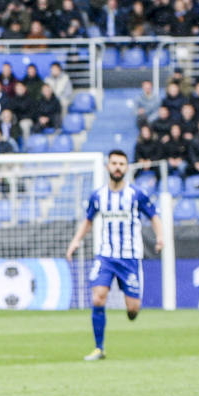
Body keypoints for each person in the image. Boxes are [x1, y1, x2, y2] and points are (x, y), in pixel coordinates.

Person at [65, 150, 163, 361]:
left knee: (133, 309)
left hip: (129, 258)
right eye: (114, 163)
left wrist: (160, 237)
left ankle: (133, 310)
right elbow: (88, 220)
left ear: (127, 168)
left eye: (121, 164)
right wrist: (76, 241)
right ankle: (99, 348)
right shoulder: (98, 195)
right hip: (105, 256)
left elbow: (154, 216)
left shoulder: (136, 194)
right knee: (98, 298)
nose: (118, 167)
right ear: (107, 167)